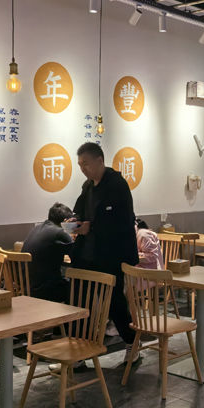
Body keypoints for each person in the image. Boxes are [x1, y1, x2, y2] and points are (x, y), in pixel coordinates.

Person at [70, 142, 140, 362]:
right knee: (81, 302)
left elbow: (124, 221)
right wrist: (74, 220)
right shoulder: (87, 186)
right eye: (80, 165)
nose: (82, 169)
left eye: (85, 163)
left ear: (99, 160)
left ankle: (132, 342)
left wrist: (92, 227)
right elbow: (79, 210)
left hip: (111, 254)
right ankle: (80, 351)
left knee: (113, 302)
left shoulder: (117, 185)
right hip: (86, 254)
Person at [20, 202, 74, 304]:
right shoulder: (60, 232)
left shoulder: (35, 229)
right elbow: (76, 255)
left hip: (26, 288)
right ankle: (74, 314)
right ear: (66, 221)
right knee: (81, 287)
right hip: (44, 290)